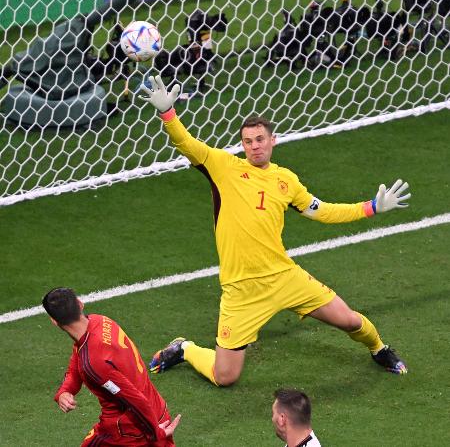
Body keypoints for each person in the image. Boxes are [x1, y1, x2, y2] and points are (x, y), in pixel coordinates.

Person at [139, 76, 410, 387]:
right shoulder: (223, 166)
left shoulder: (287, 180)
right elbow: (186, 144)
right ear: (242, 145)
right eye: (248, 141)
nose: (254, 146)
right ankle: (185, 349)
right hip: (241, 290)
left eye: (260, 139)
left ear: (272, 140)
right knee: (224, 376)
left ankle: (379, 349)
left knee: (348, 319)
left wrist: (371, 207)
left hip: (283, 276)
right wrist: (168, 115)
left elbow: (324, 211)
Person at [43, 287, 181, 446]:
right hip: (156, 411)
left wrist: (156, 433)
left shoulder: (95, 363)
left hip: (131, 429)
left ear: (54, 321)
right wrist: (65, 391)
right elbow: (78, 357)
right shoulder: (100, 321)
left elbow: (135, 400)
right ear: (80, 304)